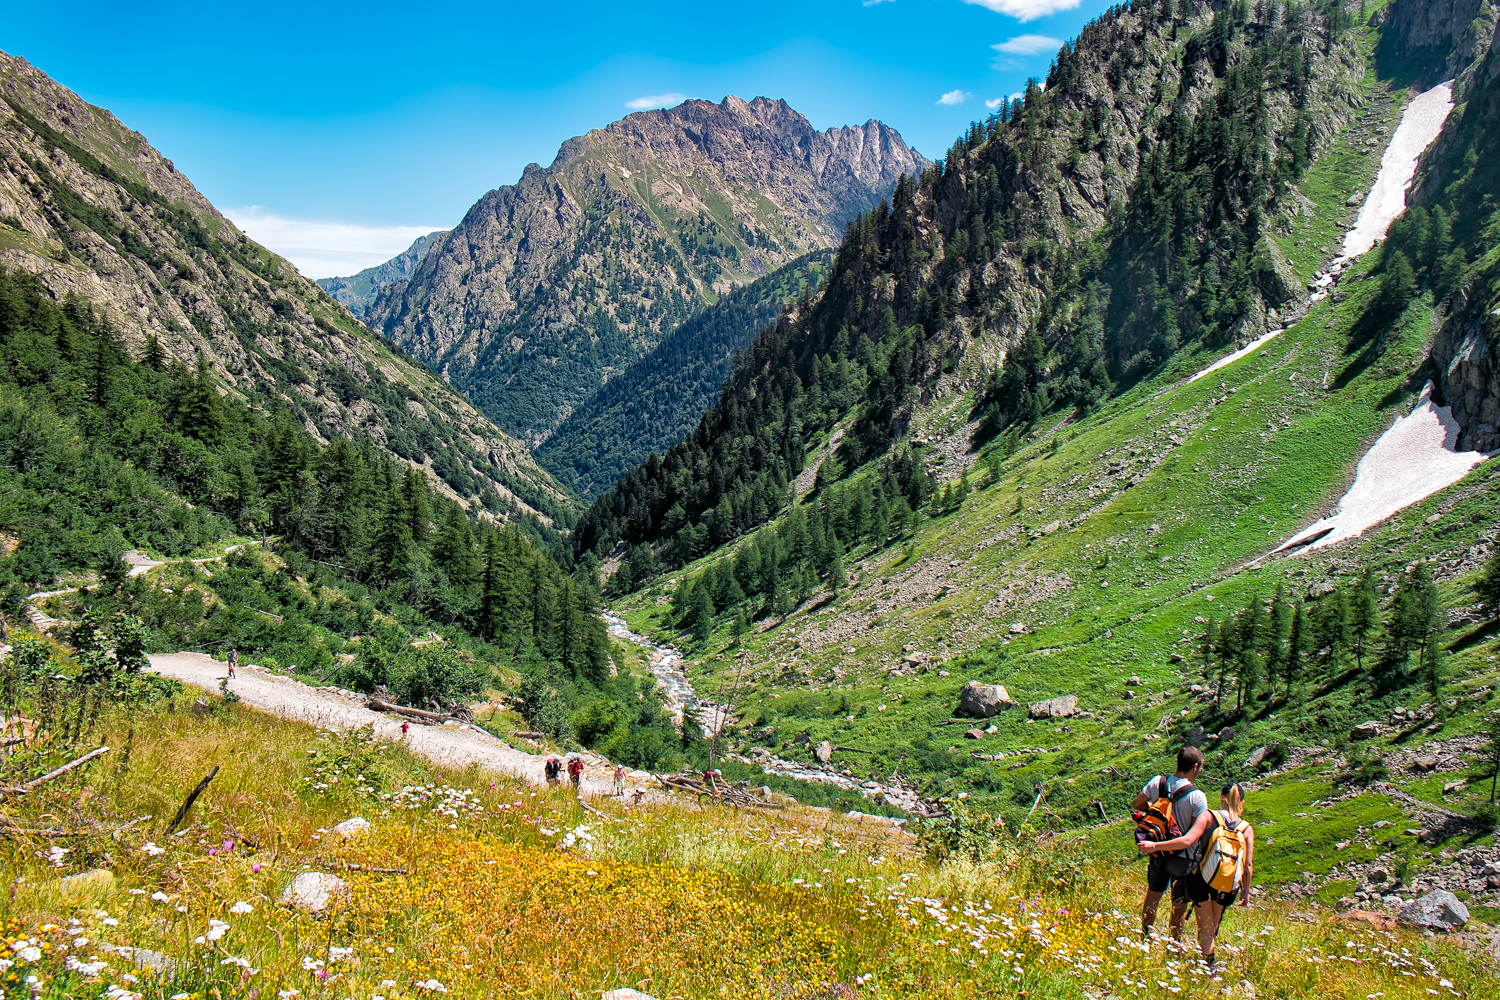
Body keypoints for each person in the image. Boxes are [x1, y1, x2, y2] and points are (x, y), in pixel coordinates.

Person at [1138, 783, 1255, 967]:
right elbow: (1247, 865)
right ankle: (1207, 963)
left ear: (1221, 797)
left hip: (1201, 880)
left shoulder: (1210, 816)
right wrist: (1245, 893)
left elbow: (1187, 840)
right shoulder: (1246, 828)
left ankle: (1208, 964)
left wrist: (1154, 846)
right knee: (1212, 927)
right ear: (1242, 801)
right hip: (1226, 884)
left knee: (1205, 927)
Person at [1131, 746, 1211, 944]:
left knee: (1153, 894)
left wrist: (1155, 815)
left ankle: (1145, 935)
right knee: (1179, 903)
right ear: (1195, 766)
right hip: (1182, 855)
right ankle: (1173, 945)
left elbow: (1137, 804)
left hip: (1156, 850)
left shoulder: (1158, 782)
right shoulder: (1197, 797)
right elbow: (1196, 830)